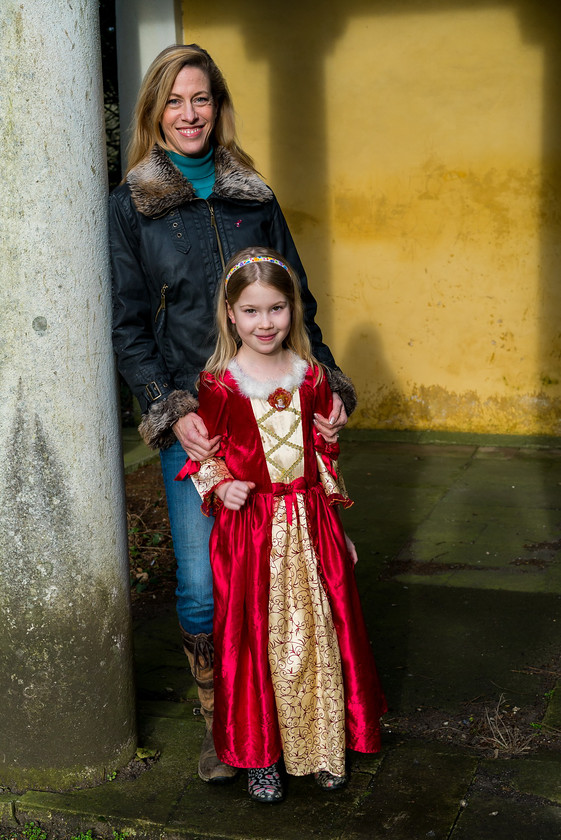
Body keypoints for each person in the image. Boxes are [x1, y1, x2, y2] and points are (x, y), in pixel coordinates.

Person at [109, 44, 358, 784]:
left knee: (287, 572)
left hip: (271, 410)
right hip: (199, 417)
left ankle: (288, 718)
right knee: (201, 582)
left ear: (218, 108)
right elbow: (126, 325)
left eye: (202, 100)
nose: (189, 115)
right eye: (175, 102)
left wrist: (331, 389)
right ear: (154, 112)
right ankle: (224, 726)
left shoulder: (255, 197)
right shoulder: (130, 207)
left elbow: (298, 302)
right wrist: (167, 407)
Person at [176, 247, 387, 803]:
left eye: (275, 309)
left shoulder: (312, 376)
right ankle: (259, 755)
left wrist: (339, 528)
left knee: (320, 636)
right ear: (230, 314)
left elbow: (324, 454)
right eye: (250, 311)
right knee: (255, 641)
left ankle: (323, 747)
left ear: (292, 310)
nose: (264, 323)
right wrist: (222, 484)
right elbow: (203, 456)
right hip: (251, 534)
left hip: (311, 525)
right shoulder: (219, 385)